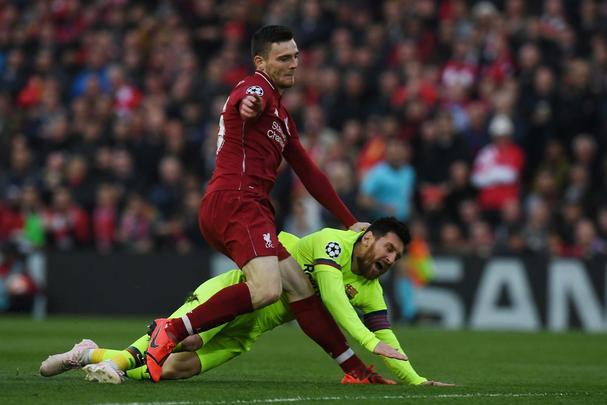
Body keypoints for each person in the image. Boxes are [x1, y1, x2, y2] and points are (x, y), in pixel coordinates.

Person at [145, 25, 404, 382]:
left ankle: (355, 370)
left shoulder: (282, 118)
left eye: (296, 56)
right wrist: (251, 103)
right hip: (238, 201)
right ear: (261, 62)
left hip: (245, 206)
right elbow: (248, 98)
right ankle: (173, 330)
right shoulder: (255, 88)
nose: (293, 64)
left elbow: (310, 173)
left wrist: (348, 220)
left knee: (299, 287)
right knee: (268, 290)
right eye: (284, 57)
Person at [40, 218, 452, 386]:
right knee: (180, 342)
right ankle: (102, 358)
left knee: (172, 370)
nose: (391, 259)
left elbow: (387, 334)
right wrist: (364, 346)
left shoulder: (372, 288)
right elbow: (328, 297)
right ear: (367, 238)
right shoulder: (334, 243)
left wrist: (416, 380)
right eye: (389, 248)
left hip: (251, 330)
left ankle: (91, 354)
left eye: (397, 255)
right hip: (234, 297)